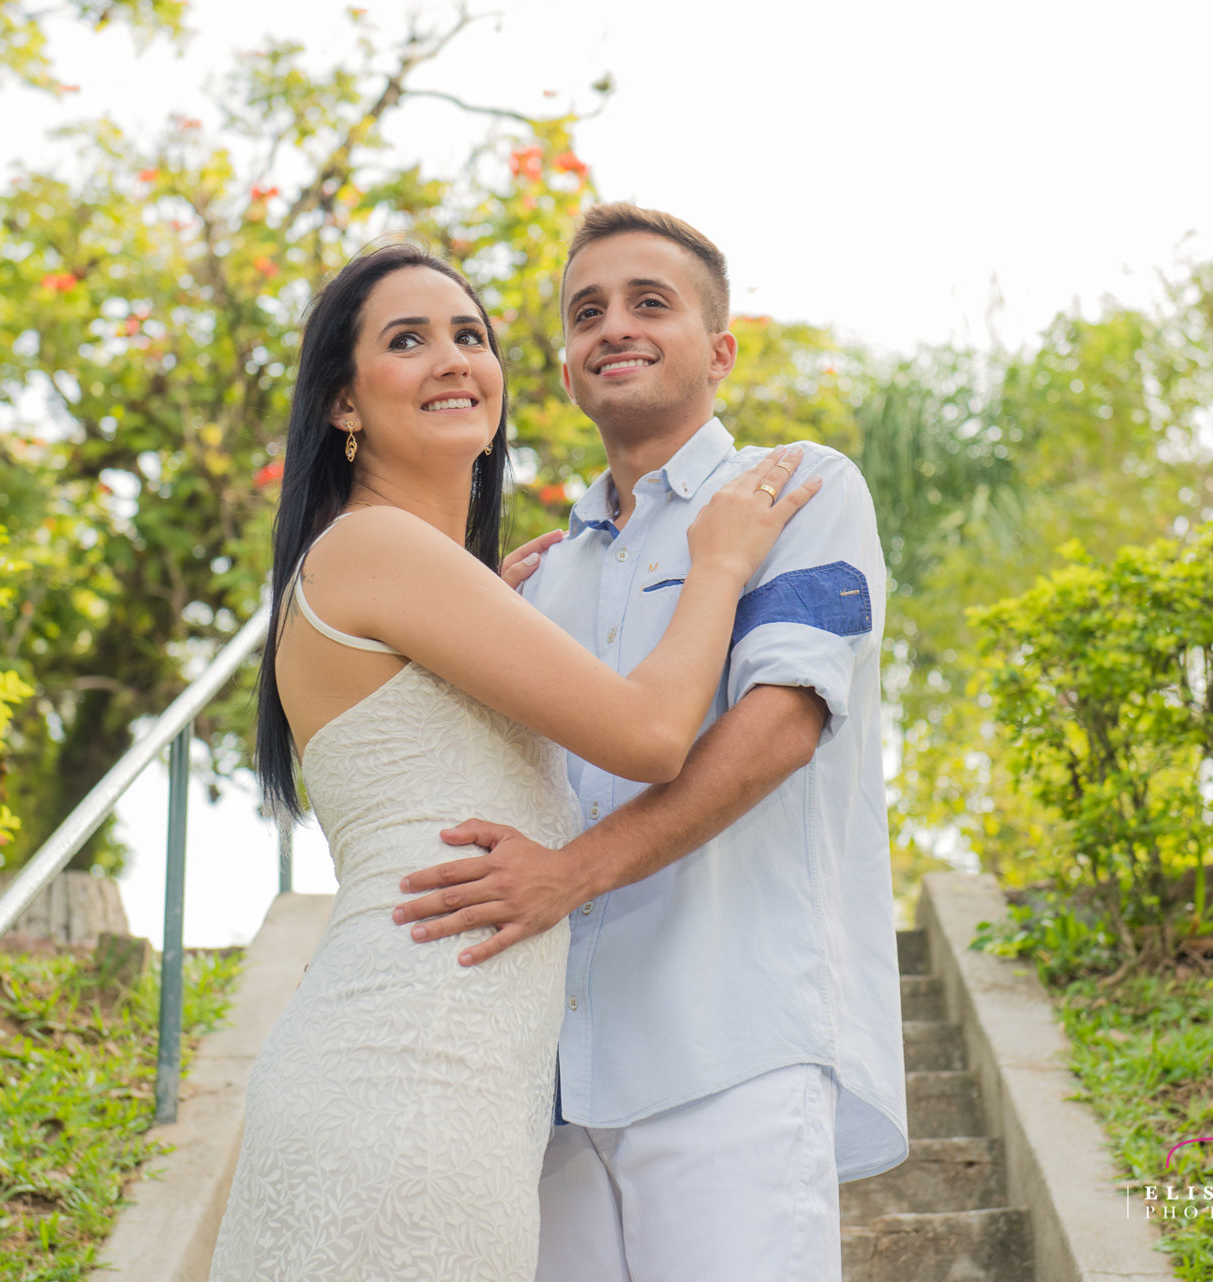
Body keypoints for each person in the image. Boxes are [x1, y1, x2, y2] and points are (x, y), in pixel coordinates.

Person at [206, 243, 819, 1281]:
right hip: (408, 1077)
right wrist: (718, 563)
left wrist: (487, 590)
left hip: (451, 1079)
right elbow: (652, 735)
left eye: (470, 336)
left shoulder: (420, 574)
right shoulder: (376, 551)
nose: (452, 358)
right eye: (407, 340)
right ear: (343, 405)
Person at [393, 204, 909, 1281]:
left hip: (732, 1055)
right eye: (587, 314)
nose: (613, 327)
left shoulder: (799, 489)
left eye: (648, 303)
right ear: (570, 372)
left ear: (718, 350)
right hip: (549, 1087)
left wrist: (566, 877)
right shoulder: (541, 578)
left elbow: (779, 728)